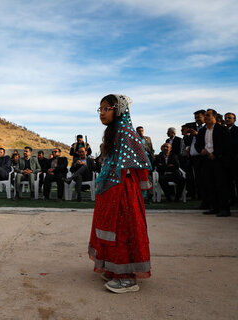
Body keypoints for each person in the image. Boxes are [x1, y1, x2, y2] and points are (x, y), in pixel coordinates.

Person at [89, 94, 152, 294]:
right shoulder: (113, 131)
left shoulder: (125, 132)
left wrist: (139, 184)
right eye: (99, 109)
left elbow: (140, 160)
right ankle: (113, 267)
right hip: (111, 187)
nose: (101, 113)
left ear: (118, 109)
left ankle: (127, 278)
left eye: (105, 108)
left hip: (123, 190)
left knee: (122, 229)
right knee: (109, 228)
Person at [195, 109, 231, 217]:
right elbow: (197, 144)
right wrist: (201, 150)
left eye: (207, 115)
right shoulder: (202, 131)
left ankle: (224, 209)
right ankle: (214, 207)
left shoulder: (222, 129)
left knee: (221, 185)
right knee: (209, 184)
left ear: (214, 117)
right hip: (206, 160)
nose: (205, 117)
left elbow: (226, 145)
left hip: (219, 161)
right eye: (205, 116)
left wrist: (215, 154)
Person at [224, 112, 238, 205]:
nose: (227, 119)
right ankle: (231, 199)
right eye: (226, 118)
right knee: (227, 182)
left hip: (235, 159)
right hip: (225, 160)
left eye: (230, 118)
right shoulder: (223, 130)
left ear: (234, 120)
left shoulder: (237, 130)